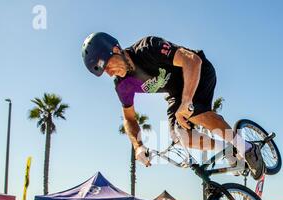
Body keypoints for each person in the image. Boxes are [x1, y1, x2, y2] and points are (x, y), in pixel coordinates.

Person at [81, 33, 266, 180]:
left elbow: (192, 61)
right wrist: (138, 146)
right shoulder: (122, 85)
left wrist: (186, 102)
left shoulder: (147, 48)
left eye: (107, 65)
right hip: (175, 93)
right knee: (181, 137)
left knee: (192, 113)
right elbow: (129, 118)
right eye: (104, 72)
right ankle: (227, 150)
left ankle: (248, 148)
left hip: (197, 72)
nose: (109, 73)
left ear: (115, 49)